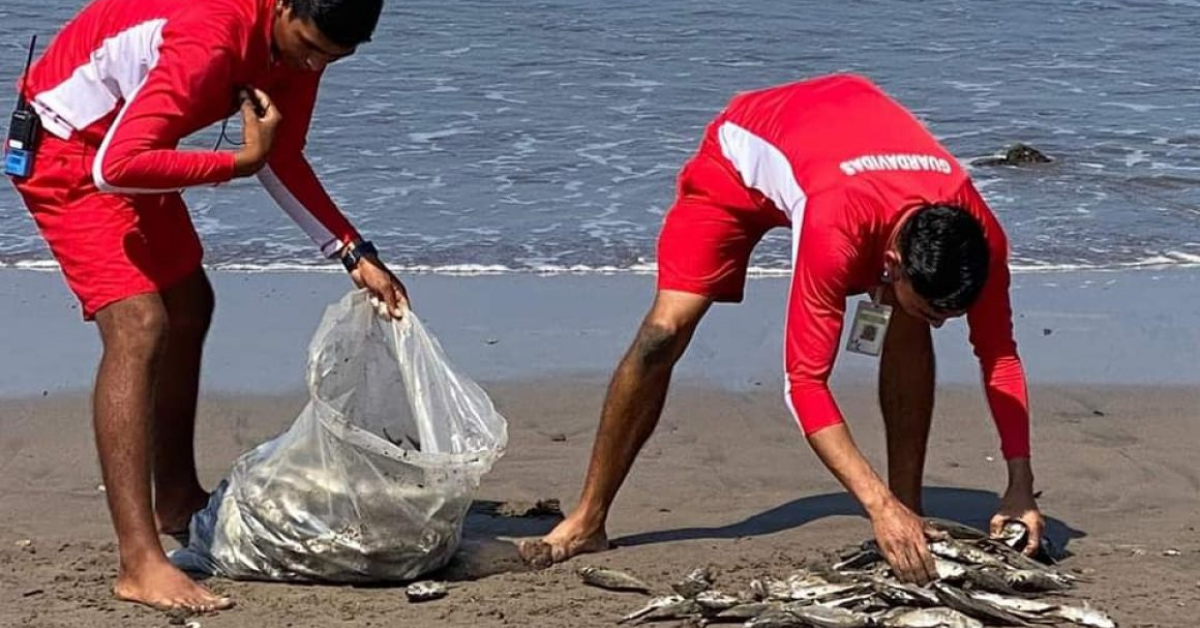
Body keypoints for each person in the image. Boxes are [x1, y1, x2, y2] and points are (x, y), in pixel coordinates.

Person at [521, 73, 1044, 584]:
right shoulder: (834, 223)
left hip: (849, 128)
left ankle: (911, 508)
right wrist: (874, 504)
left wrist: (1020, 485)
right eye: (937, 311)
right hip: (740, 156)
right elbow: (804, 384)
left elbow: (999, 356)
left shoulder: (981, 236)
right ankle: (587, 519)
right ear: (893, 261)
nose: (945, 323)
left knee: (907, 321)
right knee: (664, 331)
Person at [7, 0, 407, 613]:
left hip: (127, 144)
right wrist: (239, 162)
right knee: (140, 325)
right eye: (311, 46)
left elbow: (282, 154)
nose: (315, 64)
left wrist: (353, 253)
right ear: (281, 5)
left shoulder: (303, 43)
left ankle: (176, 498)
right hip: (65, 147)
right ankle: (138, 562)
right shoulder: (210, 40)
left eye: (334, 57)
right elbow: (114, 167)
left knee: (189, 303)